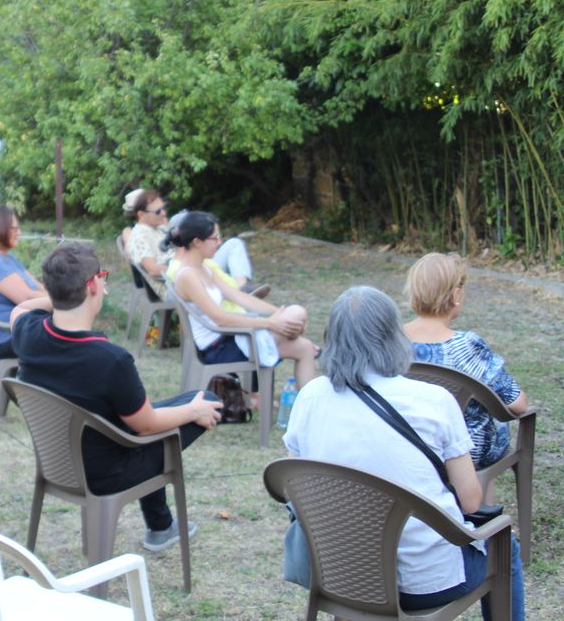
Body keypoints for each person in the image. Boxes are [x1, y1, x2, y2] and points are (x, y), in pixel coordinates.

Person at [285, 286, 524, 619]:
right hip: (427, 583)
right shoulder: (434, 401)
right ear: (393, 335)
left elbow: (299, 486)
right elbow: (471, 502)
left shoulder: (309, 397)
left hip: (341, 576)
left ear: (332, 338)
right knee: (504, 545)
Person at [10, 242, 222, 552]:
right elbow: (148, 426)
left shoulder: (28, 334)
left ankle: (161, 526)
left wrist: (60, 297)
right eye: (103, 276)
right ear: (94, 285)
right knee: (201, 403)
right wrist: (194, 413)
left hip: (59, 462)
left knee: (188, 401)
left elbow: (19, 309)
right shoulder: (111, 359)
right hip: (106, 472)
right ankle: (161, 526)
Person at [403, 253, 529, 471]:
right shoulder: (465, 346)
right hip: (461, 453)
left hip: (405, 445)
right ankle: (483, 503)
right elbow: (517, 404)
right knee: (486, 426)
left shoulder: (390, 340)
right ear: (456, 294)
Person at [169, 211, 317, 387]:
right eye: (215, 238)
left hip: (232, 338)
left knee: (305, 347)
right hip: (218, 348)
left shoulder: (204, 269)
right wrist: (271, 323)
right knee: (296, 315)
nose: (219, 242)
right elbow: (220, 319)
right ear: (197, 242)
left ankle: (308, 410)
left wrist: (278, 313)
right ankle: (257, 391)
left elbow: (238, 296)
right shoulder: (187, 276)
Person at [126, 190, 265, 298]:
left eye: (163, 208)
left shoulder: (158, 227)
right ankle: (239, 292)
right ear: (141, 215)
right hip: (176, 284)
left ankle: (241, 287)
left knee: (234, 244)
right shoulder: (138, 236)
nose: (164, 213)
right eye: (158, 211)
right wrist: (184, 266)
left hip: (192, 266)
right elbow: (153, 270)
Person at [0, 205, 47, 360]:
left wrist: (61, 296)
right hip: (11, 338)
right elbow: (27, 299)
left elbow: (37, 286)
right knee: (75, 341)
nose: (19, 232)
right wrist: (67, 302)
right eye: (14, 228)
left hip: (27, 328)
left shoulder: (6, 257)